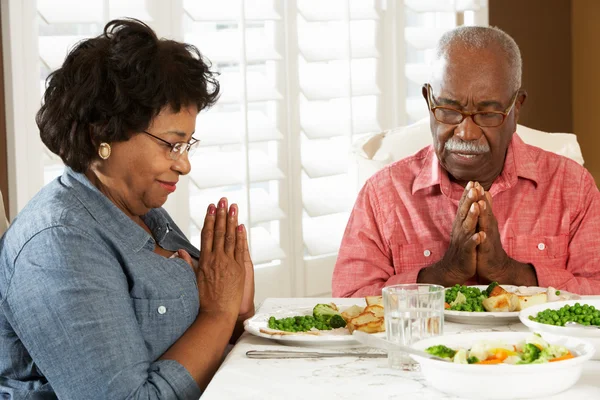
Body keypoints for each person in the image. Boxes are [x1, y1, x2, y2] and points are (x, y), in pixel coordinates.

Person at [0, 19, 255, 399]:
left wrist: (237, 310)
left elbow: (204, 341)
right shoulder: (58, 245)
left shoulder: (142, 211)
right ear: (102, 133)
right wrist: (219, 314)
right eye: (171, 144)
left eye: (187, 146)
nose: (184, 165)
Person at [333, 26, 600, 297]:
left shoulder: (573, 187)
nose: (466, 133)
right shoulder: (383, 194)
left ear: (516, 108)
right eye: (449, 110)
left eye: (487, 113)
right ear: (428, 101)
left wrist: (510, 272)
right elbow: (348, 300)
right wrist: (443, 273)